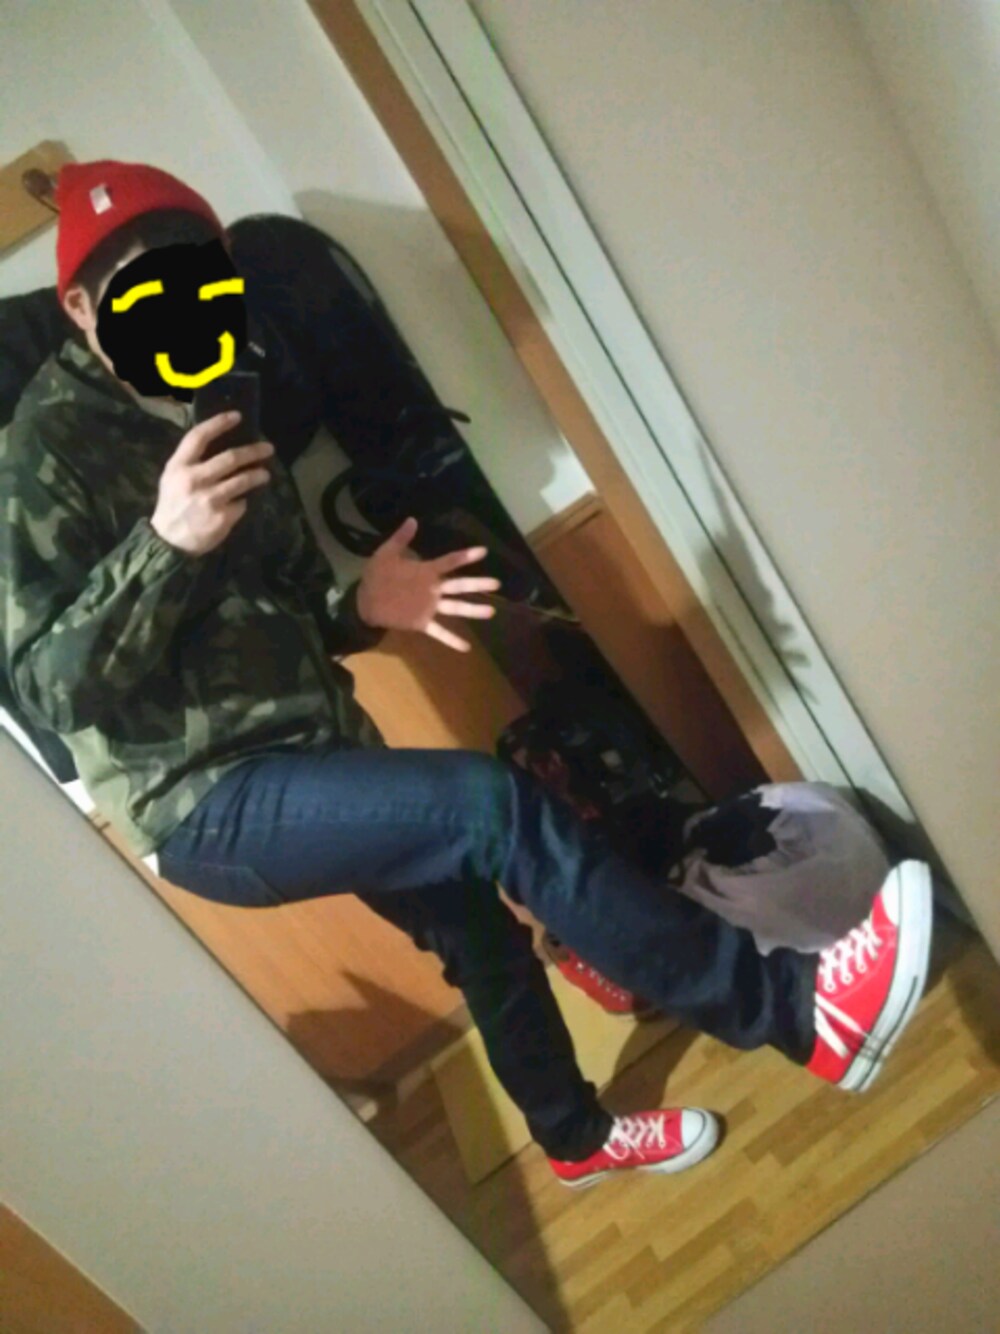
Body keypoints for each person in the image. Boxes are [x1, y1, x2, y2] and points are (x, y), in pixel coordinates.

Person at [0, 161, 933, 1191]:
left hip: (317, 755)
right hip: (202, 800)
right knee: (495, 807)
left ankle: (573, 1139)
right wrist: (165, 542)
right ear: (82, 308)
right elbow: (50, 689)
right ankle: (794, 1011)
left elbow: (288, 613)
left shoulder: (231, 394)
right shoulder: (40, 452)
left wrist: (364, 605)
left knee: (478, 930)